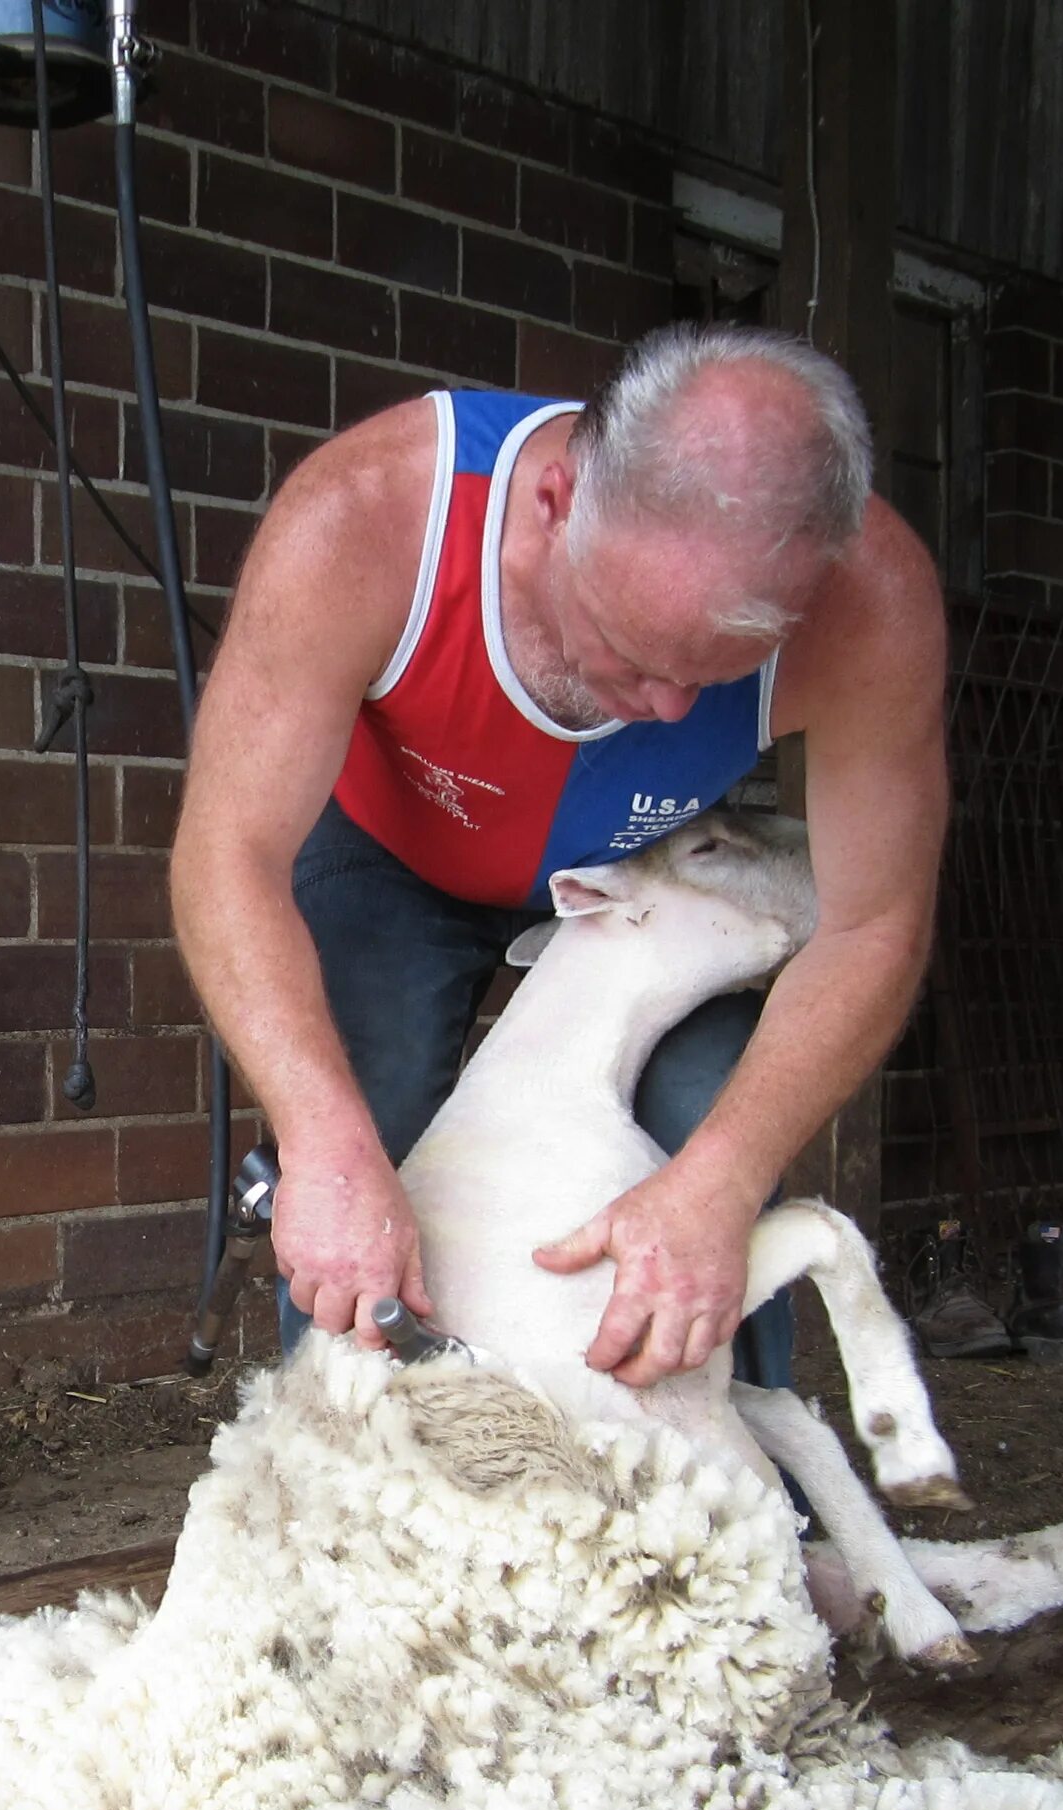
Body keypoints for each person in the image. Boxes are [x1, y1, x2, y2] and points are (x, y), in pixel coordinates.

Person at [167, 324, 948, 1391]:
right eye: (630, 651)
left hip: (636, 866)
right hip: (393, 846)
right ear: (556, 499)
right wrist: (321, 1139)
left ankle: (743, 1493)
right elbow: (229, 854)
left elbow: (871, 924)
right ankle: (341, 1471)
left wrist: (723, 1181)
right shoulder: (370, 517)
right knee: (366, 1110)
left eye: (721, 673)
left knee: (712, 1112)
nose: (670, 707)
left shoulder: (871, 611)